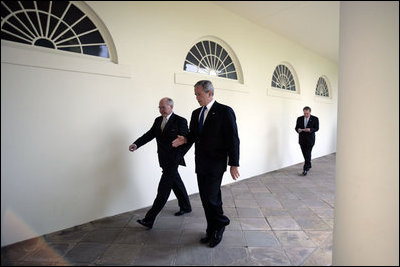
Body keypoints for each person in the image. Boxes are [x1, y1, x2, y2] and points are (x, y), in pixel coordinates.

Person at [172, 80, 240, 248]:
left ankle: (221, 223)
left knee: (210, 197)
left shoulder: (225, 111)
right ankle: (212, 229)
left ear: (210, 93)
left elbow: (233, 139)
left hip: (216, 162)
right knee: (207, 198)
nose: (197, 98)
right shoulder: (196, 113)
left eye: (199, 94)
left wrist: (234, 163)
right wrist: (185, 139)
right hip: (201, 162)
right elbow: (194, 135)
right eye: (195, 94)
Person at [129, 97, 192, 229]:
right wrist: (136, 144)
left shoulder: (180, 121)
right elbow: (149, 135)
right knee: (176, 182)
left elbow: (186, 141)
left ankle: (149, 219)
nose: (161, 110)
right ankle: (186, 206)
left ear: (171, 107)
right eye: (159, 107)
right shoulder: (158, 120)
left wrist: (178, 156)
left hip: (173, 160)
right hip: (163, 159)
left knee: (163, 190)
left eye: (163, 107)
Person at [295, 106, 319, 175]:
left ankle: (305, 169)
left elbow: (317, 128)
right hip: (302, 139)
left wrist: (310, 130)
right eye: (304, 113)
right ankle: (309, 164)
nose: (305, 115)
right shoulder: (299, 118)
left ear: (310, 112)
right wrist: (298, 130)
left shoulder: (315, 118)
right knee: (305, 153)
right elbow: (296, 127)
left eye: (307, 113)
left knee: (308, 153)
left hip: (310, 139)